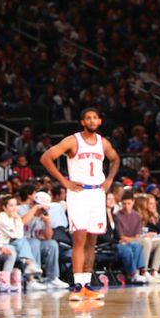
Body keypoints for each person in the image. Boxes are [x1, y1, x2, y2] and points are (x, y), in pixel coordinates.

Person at [40, 108, 120, 300]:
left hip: (97, 193)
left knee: (92, 241)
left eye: (95, 117)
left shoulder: (103, 142)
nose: (92, 121)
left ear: (99, 121)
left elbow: (115, 159)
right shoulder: (73, 140)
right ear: (83, 122)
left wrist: (109, 179)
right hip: (79, 193)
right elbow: (46, 158)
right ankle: (77, 286)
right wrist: (64, 181)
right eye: (88, 118)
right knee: (80, 238)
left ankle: (87, 284)